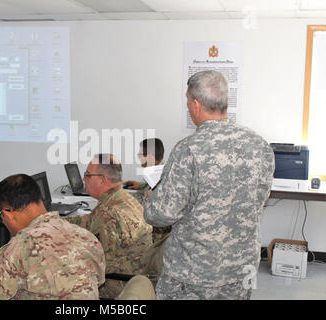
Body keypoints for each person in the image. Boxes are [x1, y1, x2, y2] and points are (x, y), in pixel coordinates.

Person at [144, 70, 275, 300]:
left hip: (193, 275)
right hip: (240, 270)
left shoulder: (189, 149)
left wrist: (150, 198)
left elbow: (161, 214)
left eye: (187, 102)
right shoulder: (259, 145)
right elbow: (260, 200)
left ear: (195, 104)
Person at [0, 174, 106, 300]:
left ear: (8, 213)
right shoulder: (86, 236)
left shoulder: (23, 245)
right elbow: (99, 280)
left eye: (1, 216)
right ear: (39, 200)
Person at [66, 154, 153, 299]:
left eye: (87, 175)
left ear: (102, 180)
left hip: (118, 283)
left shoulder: (109, 213)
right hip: (137, 278)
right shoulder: (122, 199)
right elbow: (88, 221)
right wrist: (54, 220)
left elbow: (99, 264)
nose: (83, 179)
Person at [124, 138, 170, 243]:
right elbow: (150, 188)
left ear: (149, 156)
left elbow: (147, 205)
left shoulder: (162, 174)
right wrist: (141, 185)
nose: (139, 158)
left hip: (156, 234)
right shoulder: (157, 169)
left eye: (140, 155)